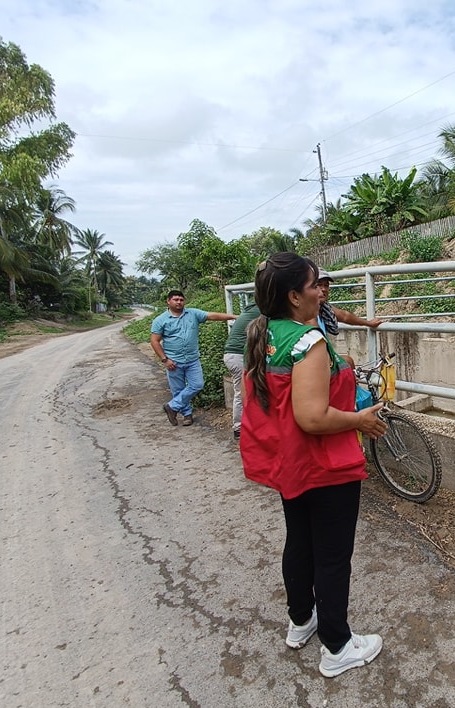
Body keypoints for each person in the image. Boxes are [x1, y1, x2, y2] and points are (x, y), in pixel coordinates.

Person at [240, 252, 388, 678]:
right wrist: (360, 420)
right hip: (323, 464)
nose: (321, 292)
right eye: (313, 286)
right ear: (294, 296)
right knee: (333, 556)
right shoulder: (310, 342)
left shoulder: (267, 331)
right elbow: (312, 417)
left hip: (291, 462)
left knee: (300, 542)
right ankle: (337, 646)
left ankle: (301, 620)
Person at [149, 290, 236, 427]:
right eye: (175, 299)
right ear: (168, 301)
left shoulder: (193, 314)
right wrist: (165, 359)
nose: (179, 302)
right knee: (178, 390)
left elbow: (212, 316)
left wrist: (234, 316)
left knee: (197, 385)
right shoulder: (160, 320)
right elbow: (154, 341)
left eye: (181, 299)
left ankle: (172, 406)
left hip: (192, 359)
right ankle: (187, 415)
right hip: (173, 361)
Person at [316, 268, 385, 366]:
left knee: (348, 361)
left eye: (326, 285)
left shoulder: (325, 309)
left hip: (323, 358)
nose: (323, 289)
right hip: (313, 362)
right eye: (318, 285)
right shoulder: (305, 312)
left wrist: (368, 323)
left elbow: (345, 316)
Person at [222, 299, 261, 440]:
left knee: (246, 390)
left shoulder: (251, 309)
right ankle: (239, 429)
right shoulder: (261, 311)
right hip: (238, 355)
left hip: (234, 355)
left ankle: (244, 426)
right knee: (241, 392)